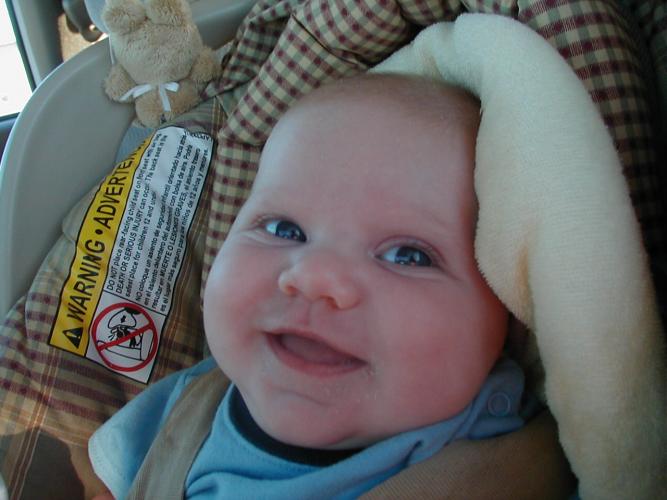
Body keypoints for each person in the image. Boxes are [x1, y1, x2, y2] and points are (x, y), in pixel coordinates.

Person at [89, 74, 526, 499]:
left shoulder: (520, 459)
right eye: (284, 229)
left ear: (507, 304)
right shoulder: (191, 402)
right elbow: (109, 479)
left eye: (407, 256)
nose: (314, 276)